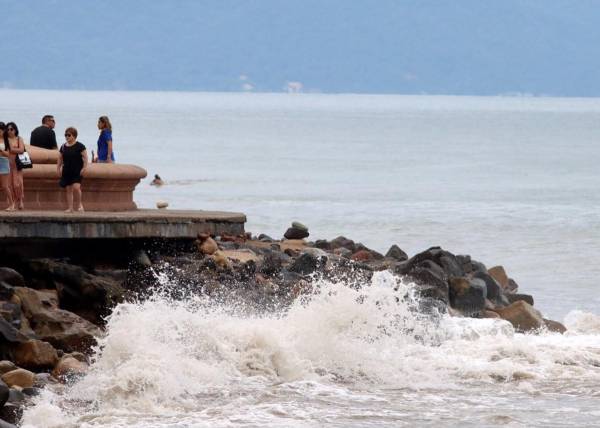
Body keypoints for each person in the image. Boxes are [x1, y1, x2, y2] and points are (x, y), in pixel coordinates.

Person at [57, 127, 88, 212]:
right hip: (67, 170)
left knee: (76, 187)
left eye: (68, 135)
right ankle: (70, 208)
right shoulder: (63, 146)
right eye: (65, 135)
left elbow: (85, 158)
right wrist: (58, 168)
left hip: (77, 170)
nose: (67, 137)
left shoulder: (80, 146)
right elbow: (60, 158)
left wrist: (84, 168)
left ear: (74, 136)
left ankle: (79, 205)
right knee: (69, 189)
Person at [4, 122, 25, 210]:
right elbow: (14, 150)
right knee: (9, 184)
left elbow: (22, 150)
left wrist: (12, 149)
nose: (9, 131)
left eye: (11, 129)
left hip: (17, 163)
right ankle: (13, 203)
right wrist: (15, 150)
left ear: (15, 130)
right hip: (8, 163)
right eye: (8, 129)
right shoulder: (6, 139)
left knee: (18, 183)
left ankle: (20, 200)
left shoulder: (19, 138)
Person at [0, 123, 14, 211]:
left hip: (3, 162)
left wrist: (1, 150)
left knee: (5, 186)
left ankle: (12, 204)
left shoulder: (7, 141)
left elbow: (9, 154)